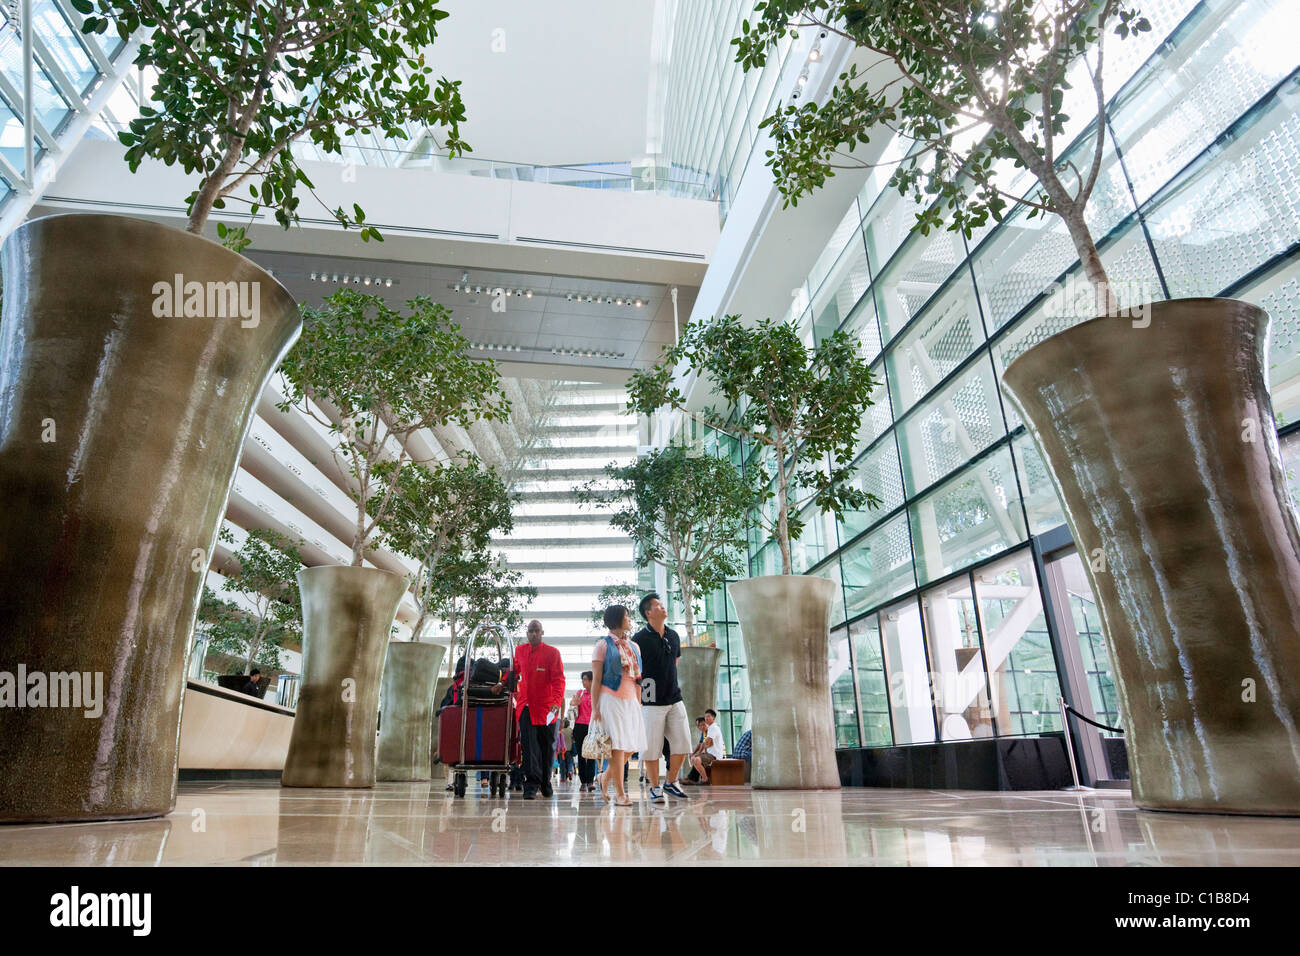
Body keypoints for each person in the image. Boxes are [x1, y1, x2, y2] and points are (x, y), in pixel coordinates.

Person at [632, 593, 692, 803]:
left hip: (674, 697)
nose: (662, 608)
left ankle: (671, 781)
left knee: (683, 742)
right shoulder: (638, 640)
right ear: (648, 613)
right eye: (657, 606)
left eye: (662, 604)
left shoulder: (674, 635)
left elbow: (674, 663)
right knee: (651, 748)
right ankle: (655, 787)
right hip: (650, 700)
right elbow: (634, 671)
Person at [497, 619, 565, 800]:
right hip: (525, 707)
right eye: (531, 631)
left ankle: (545, 782)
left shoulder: (553, 653)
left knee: (547, 747)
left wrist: (557, 702)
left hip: (548, 709)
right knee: (529, 747)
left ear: (542, 633)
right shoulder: (520, 651)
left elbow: (559, 680)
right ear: (527, 633)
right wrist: (501, 683)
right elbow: (514, 670)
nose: (534, 634)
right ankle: (531, 784)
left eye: (537, 631)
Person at [591, 605, 644, 806]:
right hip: (610, 699)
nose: (629, 619)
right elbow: (596, 680)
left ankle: (605, 777)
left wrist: (638, 703)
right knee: (619, 746)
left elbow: (638, 678)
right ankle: (620, 794)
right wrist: (595, 708)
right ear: (617, 619)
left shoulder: (634, 647)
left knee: (631, 746)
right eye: (626, 616)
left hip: (631, 700)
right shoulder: (602, 646)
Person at [570, 671, 596, 791]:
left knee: (591, 755)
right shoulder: (580, 693)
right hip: (580, 726)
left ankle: (590, 781)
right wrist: (575, 702)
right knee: (581, 755)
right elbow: (572, 705)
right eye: (582, 679)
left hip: (592, 727)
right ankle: (583, 782)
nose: (583, 682)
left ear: (591, 680)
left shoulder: (597, 693)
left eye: (585, 679)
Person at [689, 708, 726, 785]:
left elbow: (708, 743)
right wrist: (704, 746)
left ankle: (705, 779)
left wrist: (704, 746)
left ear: (713, 718)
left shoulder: (713, 728)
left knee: (696, 760)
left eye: (709, 716)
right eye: (705, 717)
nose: (706, 718)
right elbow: (705, 743)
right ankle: (696, 778)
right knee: (694, 758)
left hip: (715, 755)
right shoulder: (710, 728)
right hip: (710, 754)